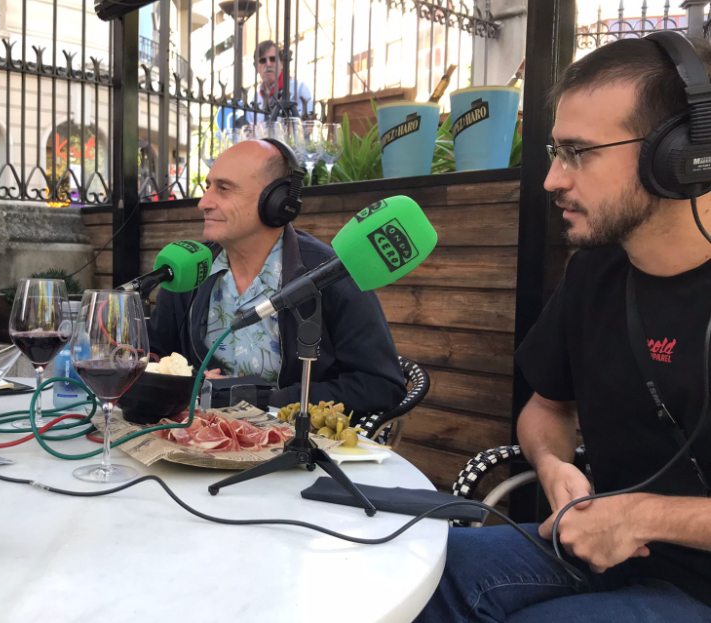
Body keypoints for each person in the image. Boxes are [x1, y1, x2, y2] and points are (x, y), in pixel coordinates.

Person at [416, 35, 711, 622]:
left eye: (578, 152)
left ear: (678, 154)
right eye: (555, 150)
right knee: (413, 575)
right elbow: (545, 409)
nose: (552, 179)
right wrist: (554, 467)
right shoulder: (594, 273)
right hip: (598, 554)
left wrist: (641, 516)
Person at [147, 139, 406, 417]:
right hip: (197, 439)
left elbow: (381, 385)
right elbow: (157, 357)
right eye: (207, 187)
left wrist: (266, 398)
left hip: (295, 446)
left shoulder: (331, 274)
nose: (204, 203)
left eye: (223, 189)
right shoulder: (190, 270)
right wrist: (189, 381)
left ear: (277, 201)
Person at [245, 40, 314, 125]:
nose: (268, 64)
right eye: (262, 60)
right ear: (256, 67)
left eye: (273, 59)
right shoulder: (255, 99)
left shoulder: (299, 88)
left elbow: (308, 127)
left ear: (282, 64)